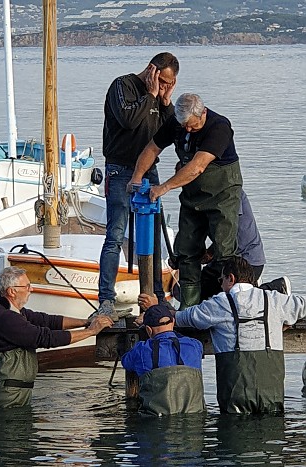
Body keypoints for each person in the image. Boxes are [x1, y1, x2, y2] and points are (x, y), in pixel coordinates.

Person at [138, 256, 306, 414]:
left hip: (236, 396)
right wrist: (288, 321)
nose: (221, 286)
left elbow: (181, 318)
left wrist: (155, 307)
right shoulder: (275, 299)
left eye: (221, 280)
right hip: (272, 393)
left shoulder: (219, 304)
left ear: (230, 278)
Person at [129, 93, 243, 309]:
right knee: (187, 251)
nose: (188, 130)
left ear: (204, 113)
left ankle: (231, 305)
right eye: (185, 127)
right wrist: (137, 177)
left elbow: (197, 166)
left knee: (223, 248)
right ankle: (189, 307)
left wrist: (165, 187)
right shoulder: (176, 123)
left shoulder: (219, 127)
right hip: (192, 197)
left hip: (222, 195)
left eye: (193, 126)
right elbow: (152, 148)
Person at [97, 52, 179, 319]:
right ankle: (106, 299)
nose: (165, 87)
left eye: (170, 84)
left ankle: (156, 292)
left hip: (149, 170)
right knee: (115, 234)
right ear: (152, 70)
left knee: (154, 236)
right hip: (120, 169)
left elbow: (168, 134)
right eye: (163, 81)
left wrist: (166, 103)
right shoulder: (123, 85)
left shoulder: (159, 97)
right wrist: (152, 95)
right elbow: (129, 120)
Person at [0, 266, 113, 408]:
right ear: (12, 291)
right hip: (5, 397)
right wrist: (91, 332)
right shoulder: (4, 318)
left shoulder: (9, 309)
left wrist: (86, 322)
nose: (31, 290)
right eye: (27, 286)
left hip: (14, 392)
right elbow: (45, 338)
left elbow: (47, 321)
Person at [121, 303, 205, 416]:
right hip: (194, 419)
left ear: (148, 330)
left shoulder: (141, 349)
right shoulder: (195, 345)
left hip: (156, 422)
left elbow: (126, 362)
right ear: (173, 322)